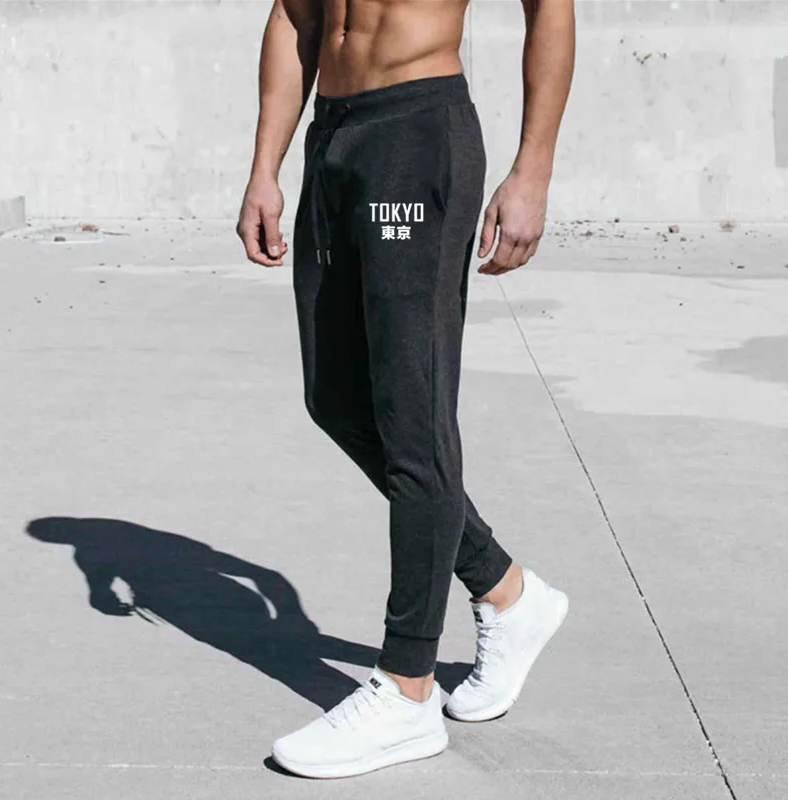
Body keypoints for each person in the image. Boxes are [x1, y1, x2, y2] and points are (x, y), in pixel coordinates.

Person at [236, 0, 575, 779]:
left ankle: (407, 689)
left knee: (413, 415)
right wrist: (264, 168)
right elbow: (294, 17)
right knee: (335, 399)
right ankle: (507, 591)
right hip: (334, 135)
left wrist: (533, 170)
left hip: (418, 133)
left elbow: (551, 12)